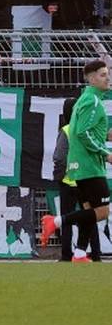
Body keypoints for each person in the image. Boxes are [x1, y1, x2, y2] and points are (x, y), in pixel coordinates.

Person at [40, 59, 112, 248]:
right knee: (103, 212)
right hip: (89, 165)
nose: (108, 78)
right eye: (103, 75)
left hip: (79, 166)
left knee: (89, 211)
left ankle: (80, 253)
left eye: (107, 74)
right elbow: (82, 132)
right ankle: (54, 222)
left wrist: (107, 136)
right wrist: (106, 154)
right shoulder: (93, 101)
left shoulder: (85, 99)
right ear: (92, 79)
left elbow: (81, 129)